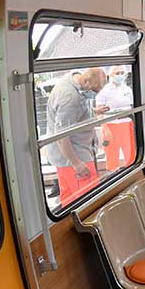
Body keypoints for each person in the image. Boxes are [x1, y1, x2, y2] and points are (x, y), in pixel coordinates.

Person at [46, 67, 109, 207]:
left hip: (66, 157)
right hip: (74, 156)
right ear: (86, 81)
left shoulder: (75, 80)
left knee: (69, 201)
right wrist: (76, 163)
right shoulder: (69, 97)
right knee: (89, 202)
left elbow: (73, 114)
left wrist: (92, 111)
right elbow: (61, 136)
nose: (95, 94)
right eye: (95, 90)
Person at [97, 66, 135, 171]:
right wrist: (105, 129)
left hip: (127, 124)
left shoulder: (127, 89)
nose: (120, 75)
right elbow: (99, 113)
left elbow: (132, 107)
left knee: (130, 153)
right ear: (111, 75)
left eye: (122, 73)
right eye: (117, 73)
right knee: (112, 156)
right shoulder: (104, 91)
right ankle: (112, 173)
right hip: (111, 125)